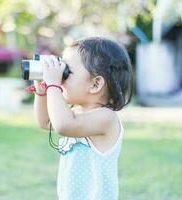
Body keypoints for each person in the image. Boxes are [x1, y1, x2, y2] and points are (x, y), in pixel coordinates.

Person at [32, 37, 133, 200]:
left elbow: (64, 125)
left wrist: (53, 85)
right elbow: (45, 122)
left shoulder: (106, 118)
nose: (61, 77)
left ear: (95, 84)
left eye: (67, 72)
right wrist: (42, 91)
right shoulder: (75, 112)